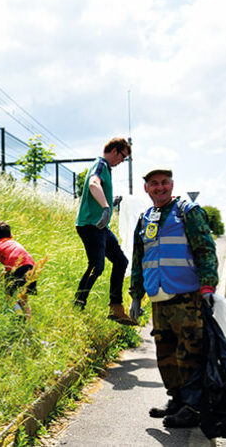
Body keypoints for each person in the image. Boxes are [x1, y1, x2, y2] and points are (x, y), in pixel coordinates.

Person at [127, 167, 218, 428]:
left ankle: (193, 407)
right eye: (154, 183)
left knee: (189, 352)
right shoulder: (145, 218)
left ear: (172, 184)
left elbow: (205, 249)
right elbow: (138, 259)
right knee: (165, 352)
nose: (160, 187)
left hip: (186, 296)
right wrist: (136, 295)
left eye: (164, 182)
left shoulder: (188, 212)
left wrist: (208, 287)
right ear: (146, 188)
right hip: (159, 297)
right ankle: (177, 399)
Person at [73, 137, 136, 325]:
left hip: (101, 227)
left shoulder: (106, 169)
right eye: (123, 156)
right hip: (90, 225)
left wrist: (110, 201)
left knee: (121, 261)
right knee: (96, 266)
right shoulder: (100, 165)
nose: (122, 162)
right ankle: (77, 305)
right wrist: (106, 206)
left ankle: (115, 308)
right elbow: (94, 184)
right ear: (115, 150)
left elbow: (99, 188)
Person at [0, 221, 35, 319]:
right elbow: (11, 264)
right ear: (10, 235)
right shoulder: (13, 243)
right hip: (31, 266)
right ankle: (29, 327)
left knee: (9, 297)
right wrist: (1, 277)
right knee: (24, 300)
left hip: (16, 267)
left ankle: (19, 318)